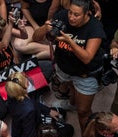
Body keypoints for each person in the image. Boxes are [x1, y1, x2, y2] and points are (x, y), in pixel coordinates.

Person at [32, 0, 105, 130]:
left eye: (76, 15)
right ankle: (71, 103)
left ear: (86, 14)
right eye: (70, 12)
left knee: (83, 111)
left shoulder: (95, 27)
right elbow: (36, 38)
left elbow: (87, 58)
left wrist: (69, 41)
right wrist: (45, 28)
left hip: (85, 74)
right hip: (65, 68)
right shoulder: (62, 16)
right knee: (70, 86)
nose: (71, 17)